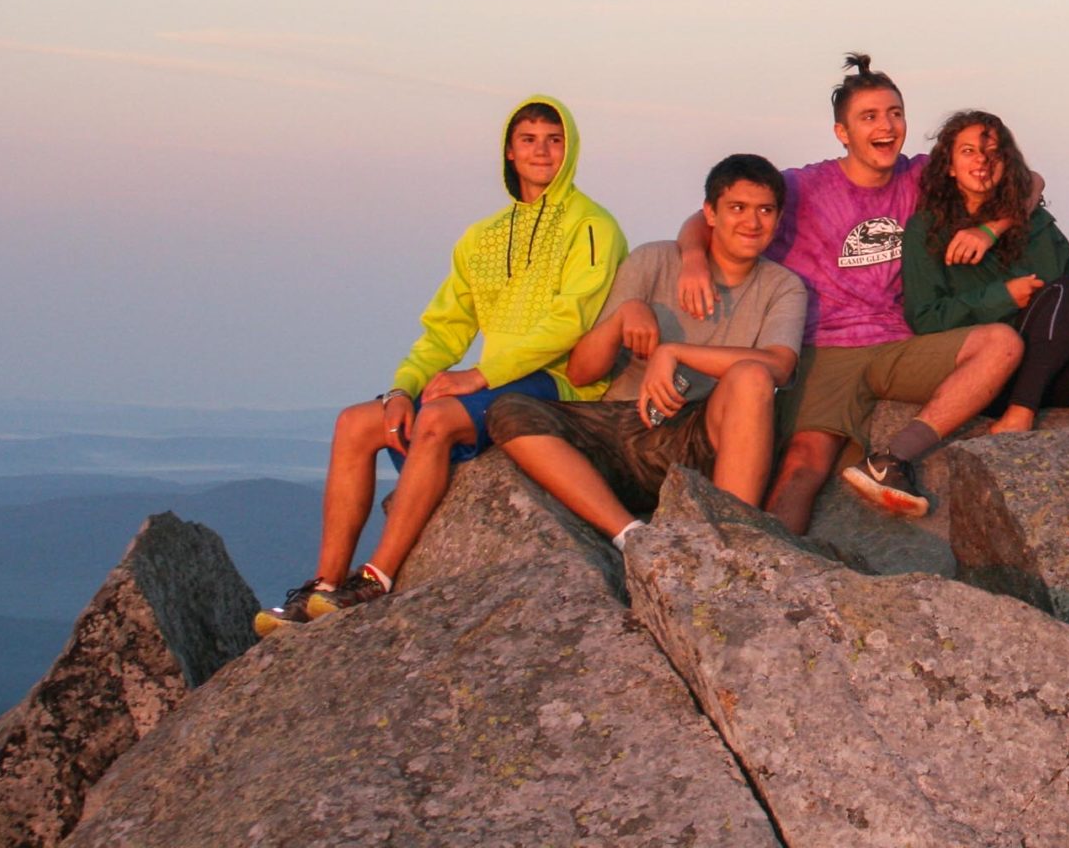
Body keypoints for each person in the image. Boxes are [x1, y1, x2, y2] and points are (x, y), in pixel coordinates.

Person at [254, 96, 626, 633]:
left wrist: (479, 376)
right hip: (496, 382)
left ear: (570, 148)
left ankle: (375, 580)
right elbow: (446, 327)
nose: (542, 150)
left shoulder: (594, 226)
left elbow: (571, 322)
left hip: (562, 385)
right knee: (356, 424)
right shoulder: (482, 237)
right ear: (509, 150)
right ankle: (323, 587)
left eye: (554, 139)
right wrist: (402, 388)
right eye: (529, 139)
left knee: (439, 417)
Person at [704, 55, 1022, 532]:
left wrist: (991, 230)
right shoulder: (802, 186)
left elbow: (1024, 180)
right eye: (869, 117)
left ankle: (893, 458)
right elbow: (707, 214)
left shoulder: (921, 175)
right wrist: (691, 260)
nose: (886, 125)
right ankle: (766, 567)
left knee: (1001, 343)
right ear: (842, 132)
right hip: (827, 348)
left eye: (895, 113)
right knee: (804, 462)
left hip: (898, 342)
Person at [488, 155, 806, 541]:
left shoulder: (783, 286)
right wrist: (624, 315)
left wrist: (673, 352)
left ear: (778, 217)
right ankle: (629, 536)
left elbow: (780, 364)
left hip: (695, 439)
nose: (752, 222)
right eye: (737, 208)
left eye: (765, 210)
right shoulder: (653, 260)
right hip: (616, 428)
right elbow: (581, 373)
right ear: (710, 213)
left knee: (753, 375)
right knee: (509, 410)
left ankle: (730, 539)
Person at [903, 110, 1069, 443]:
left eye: (993, 152)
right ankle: (1020, 412)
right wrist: (1004, 297)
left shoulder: (1034, 222)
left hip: (1043, 362)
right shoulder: (926, 229)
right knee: (1067, 290)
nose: (982, 160)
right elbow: (924, 318)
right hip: (984, 371)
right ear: (950, 166)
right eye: (968, 151)